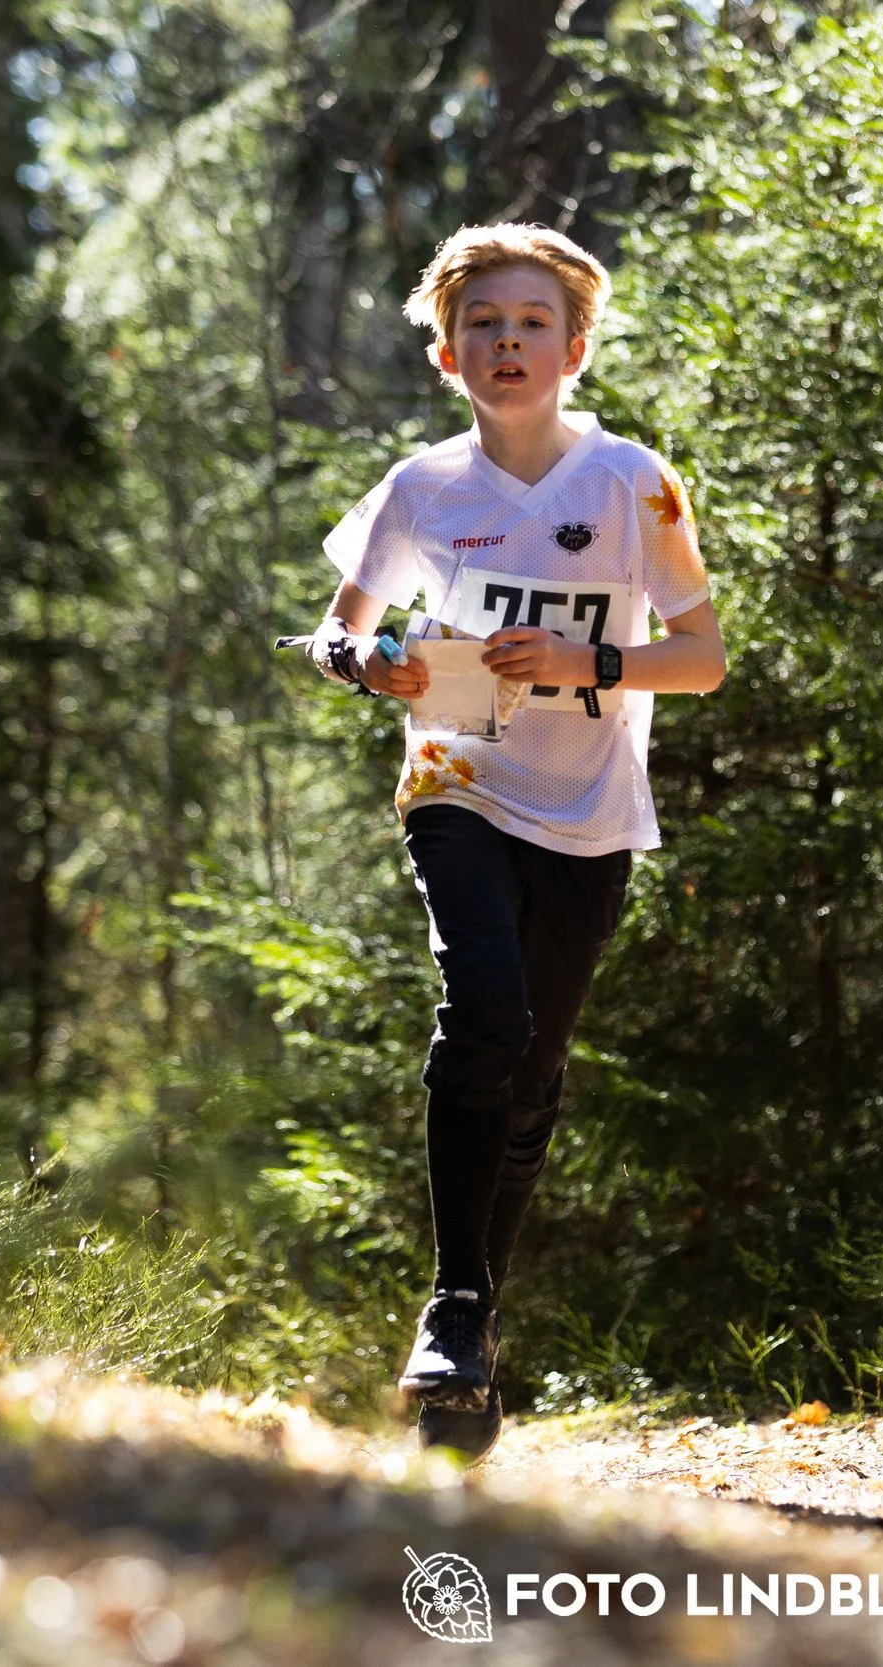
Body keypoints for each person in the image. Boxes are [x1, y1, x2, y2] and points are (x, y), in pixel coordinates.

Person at [300, 223, 726, 1456]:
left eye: (532, 322)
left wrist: (588, 658)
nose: (507, 341)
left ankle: (472, 1345)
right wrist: (366, 663)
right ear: (446, 353)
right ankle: (454, 1304)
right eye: (482, 323)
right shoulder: (420, 488)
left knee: (533, 1069)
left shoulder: (633, 482)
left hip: (589, 808)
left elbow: (701, 659)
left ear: (574, 348)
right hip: (457, 776)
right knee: (482, 1008)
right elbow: (341, 632)